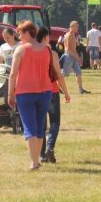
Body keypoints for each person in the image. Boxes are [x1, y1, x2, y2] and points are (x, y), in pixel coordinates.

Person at [8, 21, 55, 170]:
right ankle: (37, 160)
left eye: (20, 33)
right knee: (40, 127)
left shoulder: (21, 50)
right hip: (45, 92)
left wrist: (10, 94)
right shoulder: (47, 50)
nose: (19, 37)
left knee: (29, 127)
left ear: (27, 33)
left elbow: (13, 74)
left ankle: (34, 162)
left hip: (25, 92)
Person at [36, 26, 71, 164]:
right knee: (55, 121)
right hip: (52, 91)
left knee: (41, 123)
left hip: (37, 91)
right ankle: (50, 147)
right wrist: (66, 93)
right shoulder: (52, 53)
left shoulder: (30, 52)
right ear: (46, 37)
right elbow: (58, 75)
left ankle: (42, 154)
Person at [60, 20, 90, 94]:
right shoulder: (69, 35)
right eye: (76, 27)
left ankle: (81, 89)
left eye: (77, 27)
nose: (77, 28)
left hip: (73, 56)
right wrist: (77, 57)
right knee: (63, 74)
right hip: (69, 57)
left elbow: (73, 48)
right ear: (72, 27)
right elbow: (69, 49)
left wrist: (78, 57)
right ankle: (56, 88)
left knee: (78, 72)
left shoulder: (72, 34)